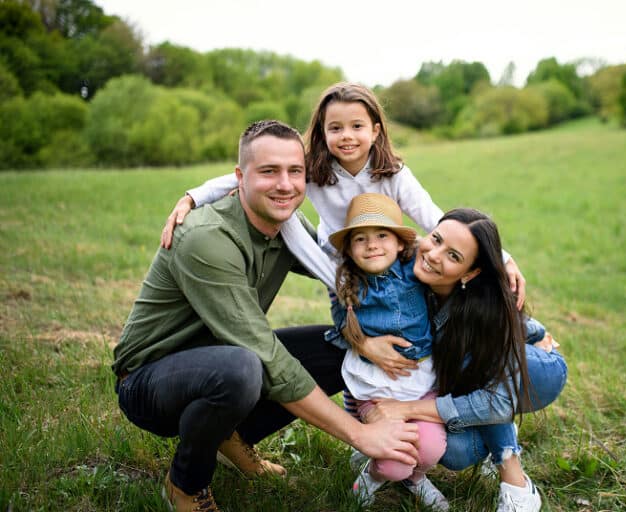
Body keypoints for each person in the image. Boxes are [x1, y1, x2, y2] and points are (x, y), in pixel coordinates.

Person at [112, 120, 419, 512]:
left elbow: (352, 266)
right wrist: (361, 436)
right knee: (243, 369)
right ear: (239, 177)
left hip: (223, 357)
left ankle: (230, 436)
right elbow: (265, 353)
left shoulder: (288, 226)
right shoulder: (207, 237)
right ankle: (186, 485)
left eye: (295, 172)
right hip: (149, 380)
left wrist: (445, 260)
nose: (285, 185)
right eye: (269, 171)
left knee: (335, 348)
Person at [160, 81, 528, 308]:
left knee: (418, 306)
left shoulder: (394, 174)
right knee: (351, 317)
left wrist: (504, 258)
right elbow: (243, 177)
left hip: (391, 257)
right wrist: (191, 198)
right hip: (338, 262)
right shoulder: (314, 170)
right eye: (335, 127)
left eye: (357, 126)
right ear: (322, 131)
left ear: (376, 130)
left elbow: (434, 218)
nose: (346, 136)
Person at [355, 208, 568, 512]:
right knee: (454, 451)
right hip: (481, 375)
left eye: (453, 256)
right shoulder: (405, 262)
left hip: (537, 370)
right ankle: (488, 426)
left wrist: (405, 409)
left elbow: (498, 403)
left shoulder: (482, 314)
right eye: (436, 239)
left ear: (469, 273)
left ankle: (516, 481)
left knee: (474, 366)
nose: (434, 255)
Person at [328, 193, 448, 510]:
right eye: (360, 239)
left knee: (431, 450)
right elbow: (340, 319)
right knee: (394, 462)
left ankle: (417, 478)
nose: (372, 245)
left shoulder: (416, 272)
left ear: (399, 244)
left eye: (382, 235)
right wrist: (360, 341)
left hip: (420, 379)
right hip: (375, 386)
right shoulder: (348, 283)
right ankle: (374, 474)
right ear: (350, 250)